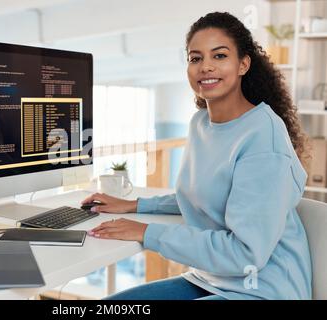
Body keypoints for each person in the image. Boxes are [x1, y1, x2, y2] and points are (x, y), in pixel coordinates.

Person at [82, 12, 312, 300]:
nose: (205, 67)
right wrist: (134, 205)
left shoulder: (263, 137)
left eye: (219, 56)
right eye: (195, 58)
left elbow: (245, 254)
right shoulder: (201, 123)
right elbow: (204, 193)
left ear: (243, 64)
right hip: (211, 280)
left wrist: (147, 232)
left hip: (261, 289)